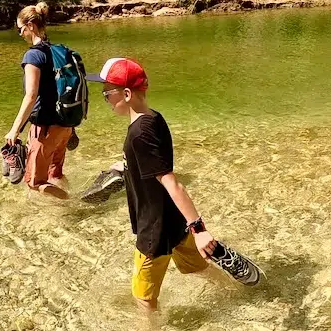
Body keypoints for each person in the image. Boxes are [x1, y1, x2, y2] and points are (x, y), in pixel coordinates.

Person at [85, 57, 261, 316]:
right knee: (197, 267)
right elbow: (153, 164)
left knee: (143, 297)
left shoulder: (140, 133)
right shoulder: (153, 119)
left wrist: (200, 229)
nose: (105, 99)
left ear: (126, 93)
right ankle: (241, 293)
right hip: (173, 221)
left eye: (106, 93)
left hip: (154, 229)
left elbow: (171, 181)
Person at [5, 2, 72, 199]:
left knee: (35, 182)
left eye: (21, 29)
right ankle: (69, 196)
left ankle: (73, 203)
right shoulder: (56, 51)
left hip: (45, 127)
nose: (20, 34)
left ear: (31, 26)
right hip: (65, 125)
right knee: (55, 173)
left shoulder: (33, 56)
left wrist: (15, 129)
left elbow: (31, 96)